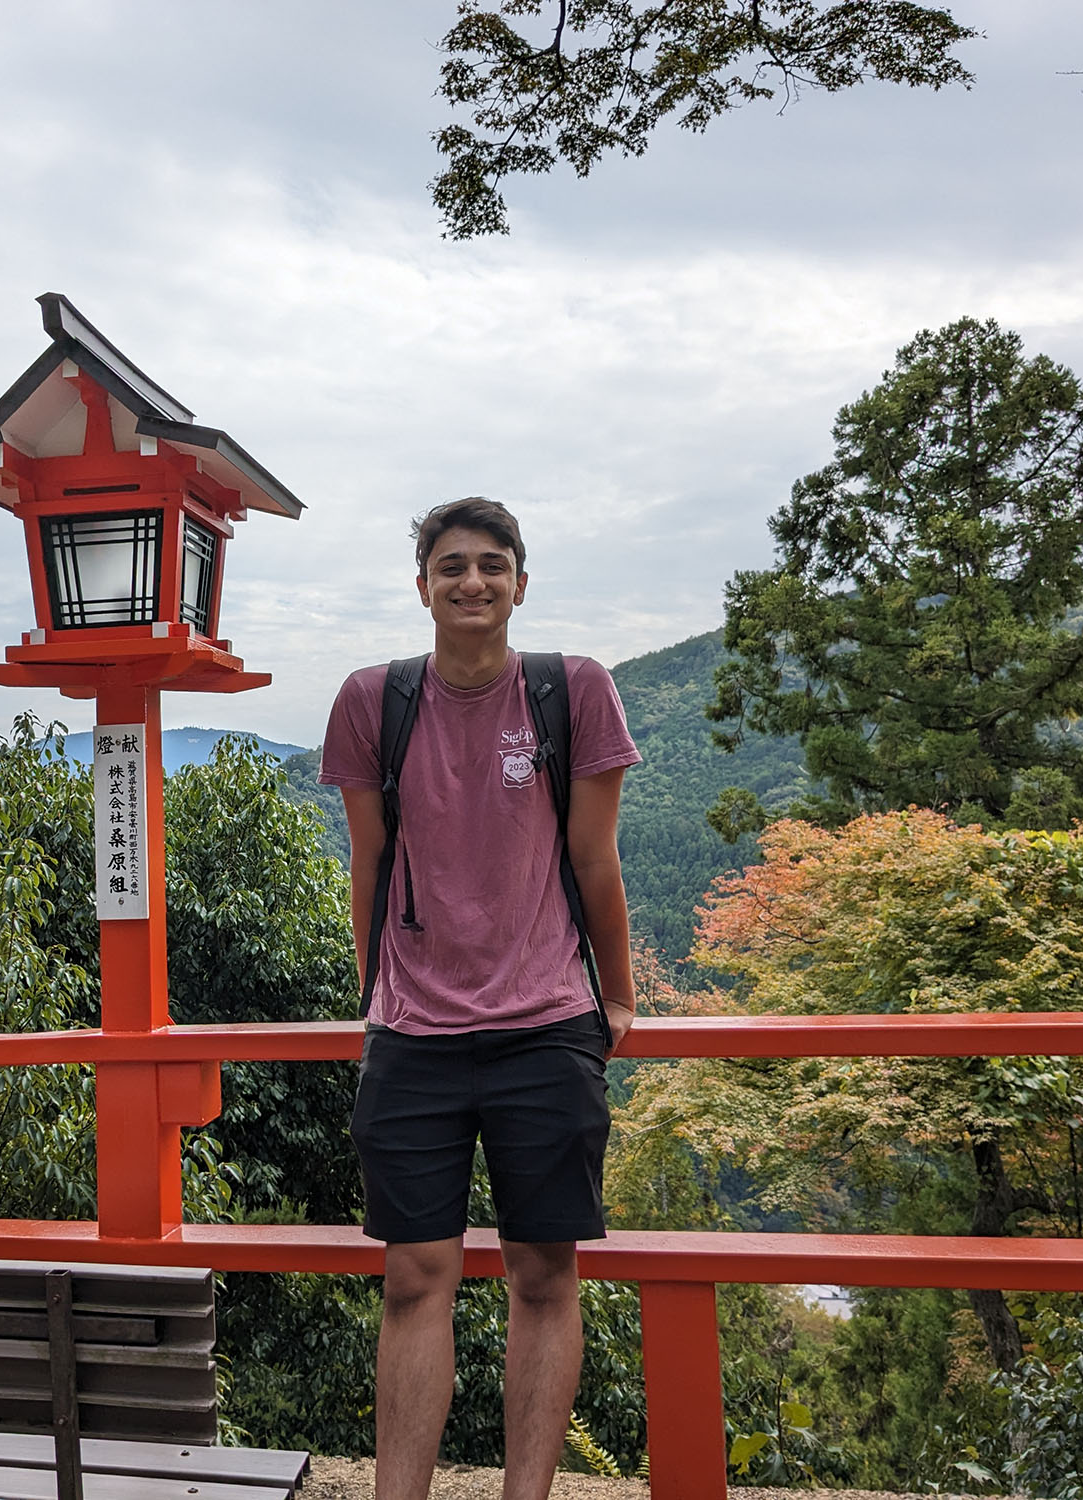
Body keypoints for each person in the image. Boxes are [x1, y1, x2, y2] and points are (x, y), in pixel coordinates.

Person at [319, 497, 641, 1500]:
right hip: (413, 1030)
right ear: (421, 587)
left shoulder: (570, 690)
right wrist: (372, 991)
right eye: (450, 566)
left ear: (518, 583)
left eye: (491, 566)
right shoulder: (373, 701)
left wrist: (616, 997)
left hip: (545, 1024)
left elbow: (594, 859)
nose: (471, 582)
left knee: (543, 1278)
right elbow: (368, 858)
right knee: (415, 1277)